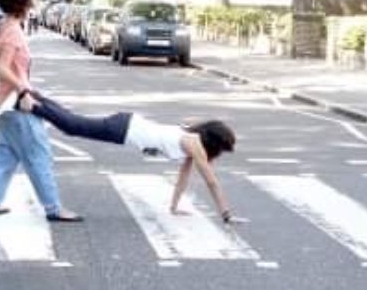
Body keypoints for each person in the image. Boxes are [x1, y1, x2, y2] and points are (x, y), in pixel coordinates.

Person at [18, 91, 246, 224]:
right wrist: (226, 214)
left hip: (128, 126)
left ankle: (36, 97)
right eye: (222, 149)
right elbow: (211, 182)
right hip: (126, 129)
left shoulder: (191, 142)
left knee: (75, 123)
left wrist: (174, 206)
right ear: (215, 143)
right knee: (73, 126)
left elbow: (183, 177)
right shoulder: (194, 144)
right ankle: (33, 105)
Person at [0, 0, 82, 222]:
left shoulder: (5, 27)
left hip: (2, 103)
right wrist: (22, 89)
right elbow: (0, 67)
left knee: (5, 154)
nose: (31, 3)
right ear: (22, 3)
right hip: (15, 104)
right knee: (39, 154)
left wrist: (24, 86)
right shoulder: (13, 32)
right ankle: (53, 208)